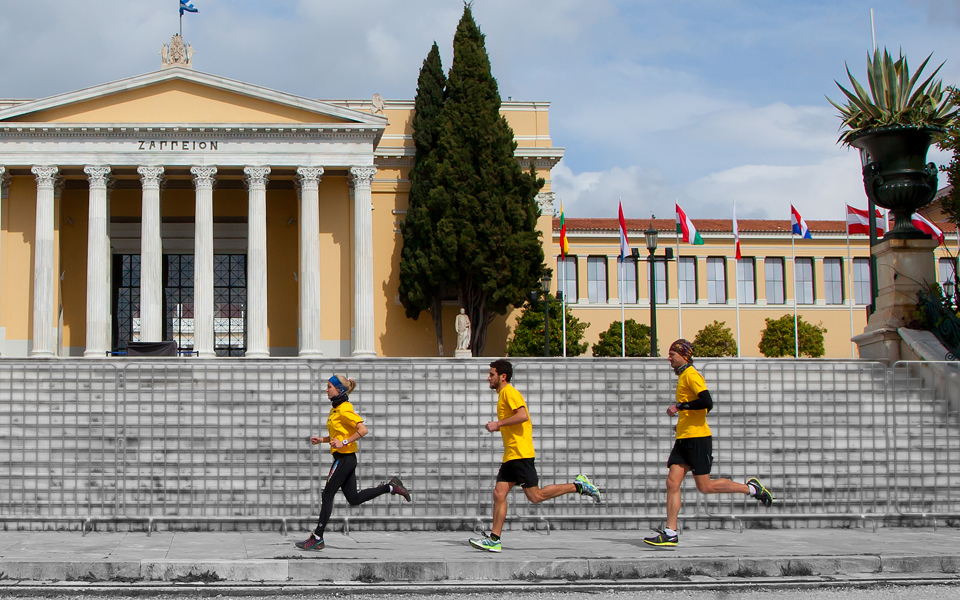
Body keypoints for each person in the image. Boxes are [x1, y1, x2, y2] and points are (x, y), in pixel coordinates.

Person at [644, 339, 773, 547]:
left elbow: (707, 402)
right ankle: (670, 532)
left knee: (705, 487)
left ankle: (751, 489)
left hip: (698, 439)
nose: (669, 358)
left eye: (672, 355)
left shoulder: (692, 374)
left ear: (683, 355)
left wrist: (680, 406)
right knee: (672, 483)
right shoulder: (684, 375)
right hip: (684, 438)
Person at [469, 359, 602, 553]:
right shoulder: (503, 395)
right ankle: (494, 539)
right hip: (511, 455)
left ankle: (579, 486)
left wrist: (498, 424)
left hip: (521, 454)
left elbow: (523, 415)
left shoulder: (509, 392)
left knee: (535, 496)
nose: (488, 378)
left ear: (502, 376)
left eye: (491, 374)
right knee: (499, 494)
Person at [295, 374, 411, 551]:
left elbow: (363, 430)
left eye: (329, 387)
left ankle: (317, 537)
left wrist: (344, 443)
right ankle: (391, 487)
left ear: (339, 389)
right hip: (344, 459)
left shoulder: (344, 409)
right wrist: (323, 440)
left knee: (327, 495)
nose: (326, 390)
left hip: (345, 459)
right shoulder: (336, 409)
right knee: (354, 499)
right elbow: (339, 435)